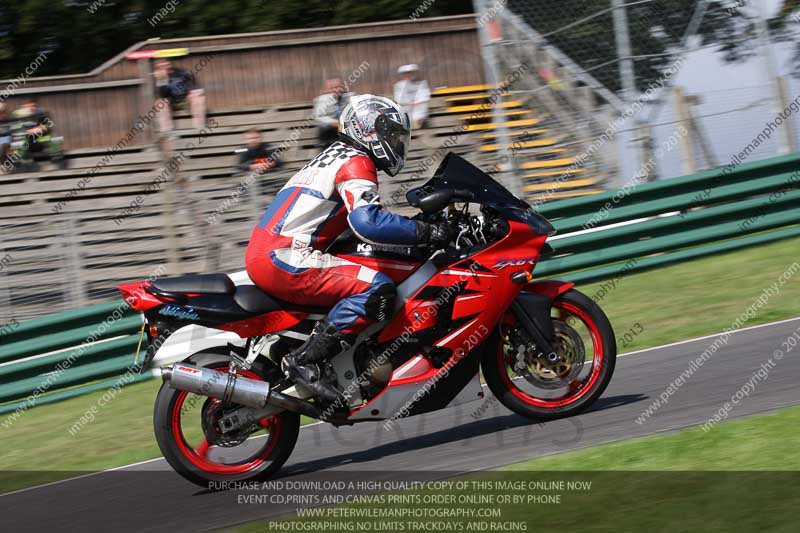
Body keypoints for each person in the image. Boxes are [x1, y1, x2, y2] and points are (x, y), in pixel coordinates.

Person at [245, 95, 452, 402]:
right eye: (391, 134)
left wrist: (412, 226)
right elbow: (368, 222)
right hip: (286, 256)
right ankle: (304, 361)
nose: (396, 142)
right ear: (369, 130)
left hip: (272, 252)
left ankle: (304, 351)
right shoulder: (356, 161)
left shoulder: (334, 155)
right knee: (377, 288)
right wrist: (427, 231)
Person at [154, 59, 207, 133]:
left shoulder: (181, 72)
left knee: (199, 98)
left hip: (186, 101)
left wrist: (193, 93)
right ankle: (166, 132)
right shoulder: (159, 78)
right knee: (160, 102)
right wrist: (162, 80)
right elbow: (162, 95)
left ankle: (199, 128)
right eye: (160, 66)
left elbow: (195, 86)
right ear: (158, 68)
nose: (164, 66)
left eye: (165, 63)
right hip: (171, 103)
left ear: (169, 63)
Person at [312, 78, 352, 146]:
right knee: (324, 127)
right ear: (326, 90)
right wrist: (338, 124)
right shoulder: (322, 100)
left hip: (346, 131)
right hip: (329, 134)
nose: (336, 90)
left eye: (338, 87)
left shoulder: (349, 98)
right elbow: (320, 118)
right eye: (332, 88)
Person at [393, 64, 431, 131]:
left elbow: (425, 95)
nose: (408, 75)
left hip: (418, 107)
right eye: (406, 74)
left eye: (410, 73)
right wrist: (408, 103)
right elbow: (398, 98)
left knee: (421, 109)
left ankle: (420, 123)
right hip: (407, 107)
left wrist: (417, 102)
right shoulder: (399, 86)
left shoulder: (421, 83)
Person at [0, 103, 12, 171]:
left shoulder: (8, 119)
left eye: (2, 112)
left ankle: (4, 165)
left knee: (2, 147)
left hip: (6, 140)